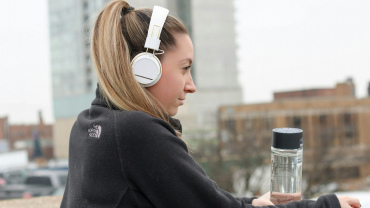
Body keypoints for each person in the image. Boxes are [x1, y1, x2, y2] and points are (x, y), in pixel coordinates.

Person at [61, 1, 361, 207]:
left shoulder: (88, 125)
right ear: (145, 69)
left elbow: (200, 199)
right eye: (184, 67)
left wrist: (254, 202)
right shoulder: (134, 133)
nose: (191, 85)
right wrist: (326, 204)